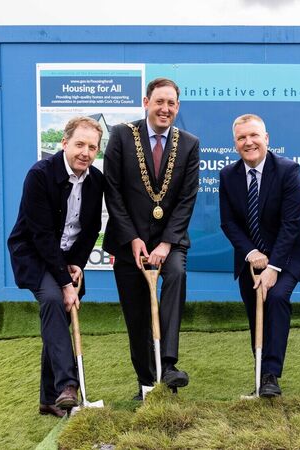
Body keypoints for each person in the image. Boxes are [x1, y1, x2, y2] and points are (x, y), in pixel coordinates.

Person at [103, 78, 200, 399]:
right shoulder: (120, 134)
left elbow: (187, 199)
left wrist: (165, 243)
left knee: (175, 273)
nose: (165, 108)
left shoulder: (189, 143)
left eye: (171, 103)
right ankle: (147, 383)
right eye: (159, 102)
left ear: (178, 107)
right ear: (146, 102)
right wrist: (131, 237)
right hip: (128, 241)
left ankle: (168, 365)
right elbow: (112, 190)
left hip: (169, 242)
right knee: (137, 313)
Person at [7, 116, 105, 417]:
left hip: (66, 259)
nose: (85, 153)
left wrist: (76, 264)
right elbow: (41, 234)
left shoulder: (96, 180)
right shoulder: (40, 175)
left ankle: (49, 400)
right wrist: (64, 282)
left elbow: (89, 230)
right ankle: (67, 386)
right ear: (64, 143)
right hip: (34, 253)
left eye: (92, 147)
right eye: (79, 144)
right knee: (52, 299)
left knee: (58, 321)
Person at [219, 114, 300, 397]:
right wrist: (250, 252)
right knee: (254, 309)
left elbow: (291, 223)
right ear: (235, 143)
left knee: (275, 297)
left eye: (254, 136)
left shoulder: (288, 171)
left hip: (289, 254)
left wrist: (273, 266)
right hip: (251, 260)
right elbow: (229, 223)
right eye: (241, 138)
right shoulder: (228, 175)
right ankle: (261, 372)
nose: (249, 142)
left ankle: (271, 375)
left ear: (266, 138)